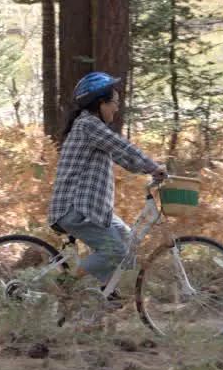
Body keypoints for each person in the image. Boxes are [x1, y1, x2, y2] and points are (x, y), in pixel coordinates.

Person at [48, 72, 166, 301]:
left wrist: (147, 170)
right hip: (76, 208)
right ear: (100, 102)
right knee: (116, 251)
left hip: (92, 208)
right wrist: (154, 167)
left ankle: (106, 292)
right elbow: (122, 146)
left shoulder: (91, 127)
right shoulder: (88, 125)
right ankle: (66, 285)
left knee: (127, 241)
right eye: (114, 103)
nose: (116, 109)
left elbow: (123, 157)